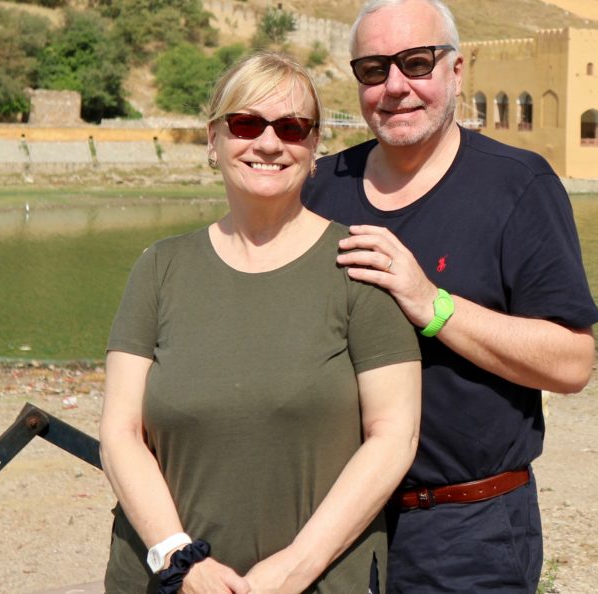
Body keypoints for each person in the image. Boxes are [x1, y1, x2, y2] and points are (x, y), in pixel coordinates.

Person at [303, 0, 598, 593]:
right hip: (332, 523)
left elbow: (572, 363)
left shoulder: (517, 186)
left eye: (417, 63)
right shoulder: (320, 189)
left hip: (468, 530)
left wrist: (432, 304)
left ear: (456, 70)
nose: (395, 86)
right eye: (373, 69)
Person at [100, 51, 421, 594]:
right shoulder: (160, 267)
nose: (269, 143)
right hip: (165, 579)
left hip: (319, 581)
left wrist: (294, 567)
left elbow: (394, 435)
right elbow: (119, 432)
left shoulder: (357, 266)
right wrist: (181, 558)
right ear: (214, 139)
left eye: (292, 127)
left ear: (313, 145)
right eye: (246, 123)